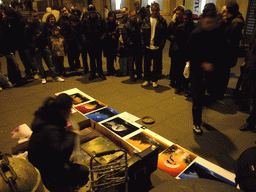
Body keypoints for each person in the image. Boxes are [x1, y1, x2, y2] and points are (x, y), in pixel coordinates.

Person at [28, 93, 89, 191]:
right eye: (70, 109)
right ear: (63, 111)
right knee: (83, 171)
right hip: (45, 171)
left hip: (43, 161)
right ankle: (59, 186)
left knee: (81, 170)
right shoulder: (52, 129)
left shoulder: (48, 116)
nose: (71, 112)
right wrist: (72, 134)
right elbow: (61, 155)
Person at [186, 6, 227, 135]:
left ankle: (200, 114)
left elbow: (221, 51)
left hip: (211, 72)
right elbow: (187, 53)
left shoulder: (217, 33)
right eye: (208, 22)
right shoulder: (195, 33)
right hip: (197, 71)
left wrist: (214, 63)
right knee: (197, 98)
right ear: (203, 20)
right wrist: (202, 63)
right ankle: (196, 122)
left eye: (213, 22)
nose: (210, 25)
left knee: (210, 95)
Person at [26, 10, 65, 84]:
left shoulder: (42, 25)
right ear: (30, 17)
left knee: (50, 63)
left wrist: (47, 44)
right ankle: (43, 77)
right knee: (39, 64)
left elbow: (47, 34)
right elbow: (27, 39)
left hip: (44, 46)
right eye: (34, 16)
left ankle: (55, 76)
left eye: (37, 16)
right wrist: (33, 47)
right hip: (36, 48)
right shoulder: (29, 27)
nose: (36, 17)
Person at [219, 1, 244, 98]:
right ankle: (220, 91)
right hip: (229, 53)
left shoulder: (235, 23)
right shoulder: (235, 20)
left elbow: (227, 37)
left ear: (229, 10)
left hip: (227, 53)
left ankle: (220, 92)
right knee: (224, 72)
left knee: (224, 72)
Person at [141, 3, 167, 88]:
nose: (154, 12)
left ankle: (154, 80)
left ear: (158, 10)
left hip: (157, 47)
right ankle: (147, 79)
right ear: (151, 10)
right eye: (153, 10)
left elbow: (164, 35)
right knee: (146, 65)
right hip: (148, 46)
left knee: (156, 65)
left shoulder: (162, 21)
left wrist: (161, 46)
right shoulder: (146, 19)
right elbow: (142, 34)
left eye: (156, 10)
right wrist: (143, 44)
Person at [172, 10, 195, 95]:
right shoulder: (180, 27)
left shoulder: (193, 28)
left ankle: (185, 86)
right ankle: (178, 86)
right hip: (180, 52)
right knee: (178, 70)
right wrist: (176, 48)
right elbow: (175, 39)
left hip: (188, 53)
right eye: (184, 19)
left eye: (187, 19)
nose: (185, 20)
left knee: (187, 71)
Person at [81, 5, 106, 81]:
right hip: (90, 42)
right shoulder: (85, 21)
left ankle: (100, 72)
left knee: (99, 59)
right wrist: (85, 39)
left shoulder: (100, 20)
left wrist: (102, 38)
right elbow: (82, 32)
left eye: (94, 13)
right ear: (89, 13)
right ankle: (93, 72)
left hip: (98, 42)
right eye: (91, 13)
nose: (92, 14)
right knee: (92, 59)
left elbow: (104, 30)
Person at [0, 9, 24, 87]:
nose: (4, 16)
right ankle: (17, 81)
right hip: (7, 48)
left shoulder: (6, 23)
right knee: (14, 64)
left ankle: (14, 80)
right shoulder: (3, 25)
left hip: (8, 47)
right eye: (3, 15)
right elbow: (4, 38)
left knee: (11, 64)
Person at [167, 5, 184, 87]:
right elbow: (168, 34)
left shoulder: (185, 22)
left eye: (179, 13)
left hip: (182, 48)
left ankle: (180, 81)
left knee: (181, 66)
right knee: (173, 65)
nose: (178, 15)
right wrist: (172, 38)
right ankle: (172, 80)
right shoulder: (173, 23)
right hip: (174, 47)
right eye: (177, 13)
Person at [122, 11, 143, 82]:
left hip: (138, 46)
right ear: (130, 16)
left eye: (134, 16)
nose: (133, 17)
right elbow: (125, 36)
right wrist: (130, 44)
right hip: (131, 47)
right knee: (131, 62)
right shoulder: (127, 25)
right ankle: (132, 76)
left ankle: (139, 74)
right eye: (132, 16)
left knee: (139, 61)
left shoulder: (139, 24)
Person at [104, 11, 118, 76]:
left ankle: (112, 69)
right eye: (111, 16)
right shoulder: (106, 23)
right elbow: (105, 32)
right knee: (109, 57)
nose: (112, 18)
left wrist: (115, 34)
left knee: (112, 56)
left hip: (113, 42)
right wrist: (111, 34)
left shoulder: (115, 23)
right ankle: (109, 70)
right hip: (107, 43)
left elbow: (117, 31)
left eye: (113, 16)